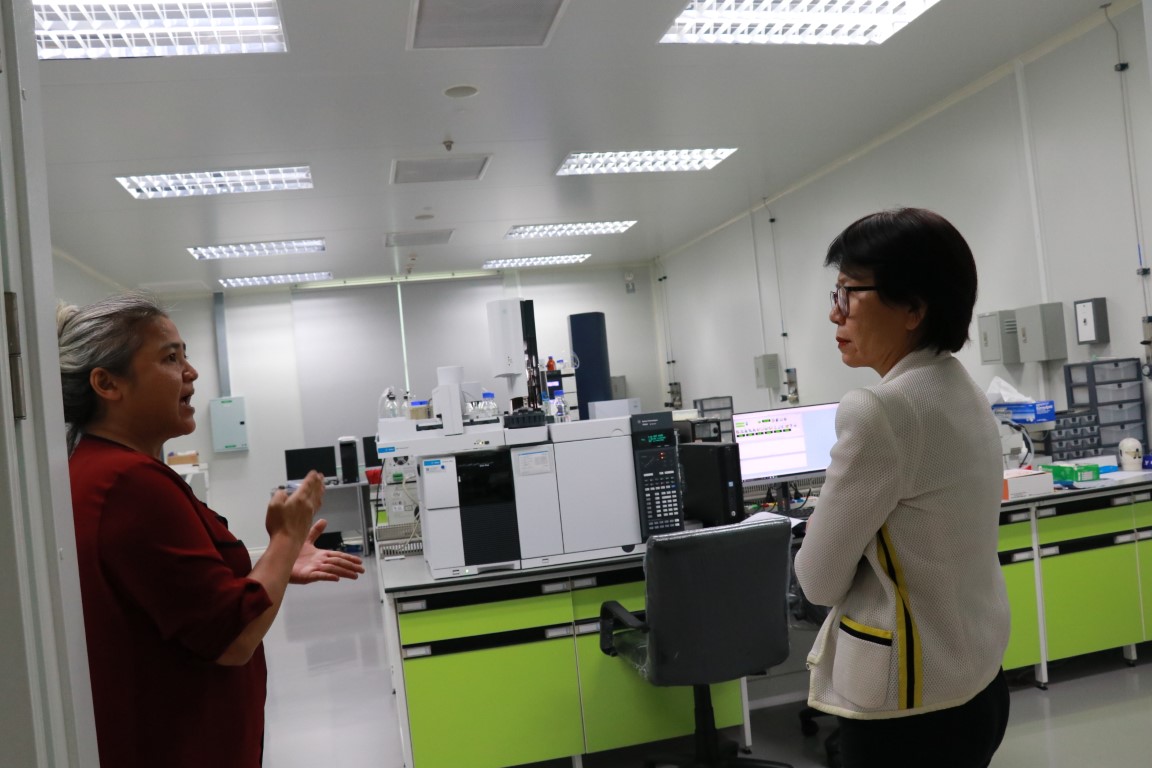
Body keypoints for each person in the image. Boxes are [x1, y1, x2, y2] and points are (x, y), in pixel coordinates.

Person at [58, 292, 365, 768]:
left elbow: (186, 598)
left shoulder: (98, 470)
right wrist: (286, 539)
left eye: (185, 355)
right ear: (107, 383)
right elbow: (231, 638)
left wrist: (277, 563)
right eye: (170, 357)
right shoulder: (129, 484)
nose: (192, 372)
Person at [793, 208, 1011, 768]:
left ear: (914, 308)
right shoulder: (959, 387)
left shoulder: (881, 411)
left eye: (850, 293)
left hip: (908, 707)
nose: (834, 312)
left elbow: (817, 580)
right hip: (978, 681)